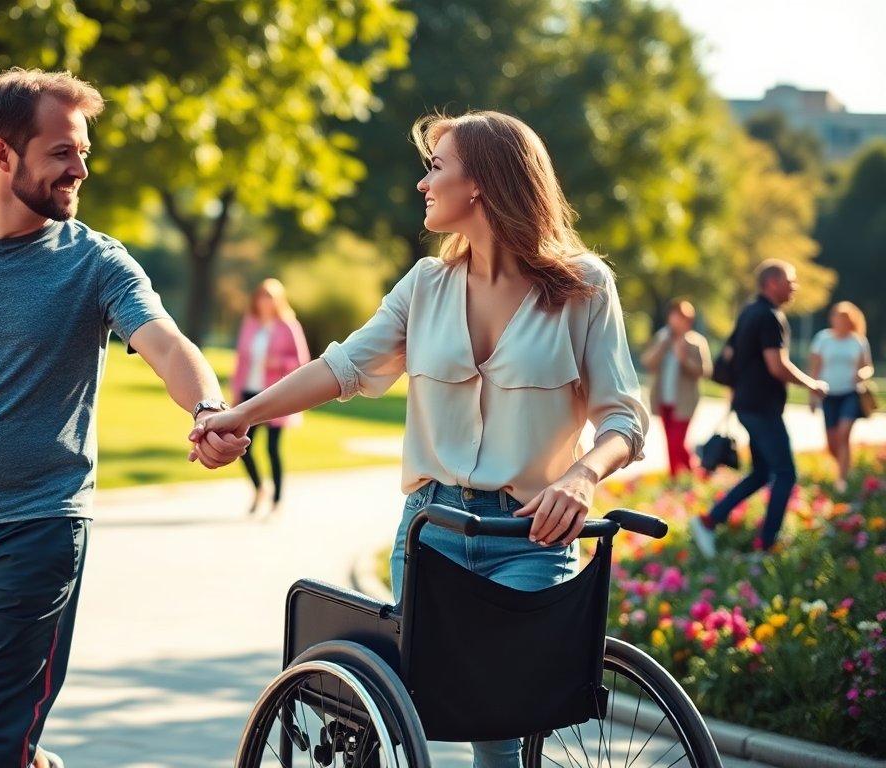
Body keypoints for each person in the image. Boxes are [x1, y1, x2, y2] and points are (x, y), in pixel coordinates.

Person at [191, 110, 647, 768]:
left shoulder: (582, 289)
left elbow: (623, 419)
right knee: (423, 715)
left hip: (530, 537)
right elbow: (341, 367)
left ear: (481, 185)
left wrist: (581, 477)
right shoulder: (426, 286)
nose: (421, 183)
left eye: (436, 168)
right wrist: (241, 415)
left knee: (499, 723)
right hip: (430, 533)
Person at [0, 68, 247, 768]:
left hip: (38, 526)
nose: (80, 170)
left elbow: (165, 342)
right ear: (2, 154)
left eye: (84, 153)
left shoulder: (96, 263)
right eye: (62, 153)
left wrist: (208, 406)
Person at [690, 260, 828, 558]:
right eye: (790, 280)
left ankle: (709, 520)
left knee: (763, 472)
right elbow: (776, 366)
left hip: (748, 404)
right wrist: (812, 384)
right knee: (786, 473)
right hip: (762, 407)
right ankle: (767, 545)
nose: (795, 286)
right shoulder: (768, 316)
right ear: (772, 283)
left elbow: (731, 357)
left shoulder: (750, 312)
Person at [231, 278, 310, 513]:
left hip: (275, 395)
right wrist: (235, 393)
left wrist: (277, 362)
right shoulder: (250, 324)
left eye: (270, 297)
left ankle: (277, 499)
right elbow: (241, 361)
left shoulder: (288, 325)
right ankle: (258, 487)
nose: (265, 302)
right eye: (261, 296)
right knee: (242, 447)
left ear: (278, 301)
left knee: (272, 449)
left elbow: (301, 362)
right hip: (249, 393)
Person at [640, 299, 711, 479]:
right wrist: (663, 347)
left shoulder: (695, 342)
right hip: (663, 399)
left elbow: (704, 371)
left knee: (676, 442)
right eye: (674, 316)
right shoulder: (662, 337)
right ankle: (676, 478)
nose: (676, 320)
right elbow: (648, 362)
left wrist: (683, 358)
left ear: (689, 320)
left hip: (684, 402)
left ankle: (694, 473)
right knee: (670, 443)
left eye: (681, 317)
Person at [808, 301, 873, 493]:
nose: (840, 321)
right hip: (828, 393)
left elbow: (867, 366)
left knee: (844, 434)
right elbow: (814, 368)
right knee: (832, 442)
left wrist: (863, 374)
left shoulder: (858, 341)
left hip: (850, 392)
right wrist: (812, 396)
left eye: (844, 318)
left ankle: (842, 480)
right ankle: (846, 466)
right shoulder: (822, 339)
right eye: (837, 317)